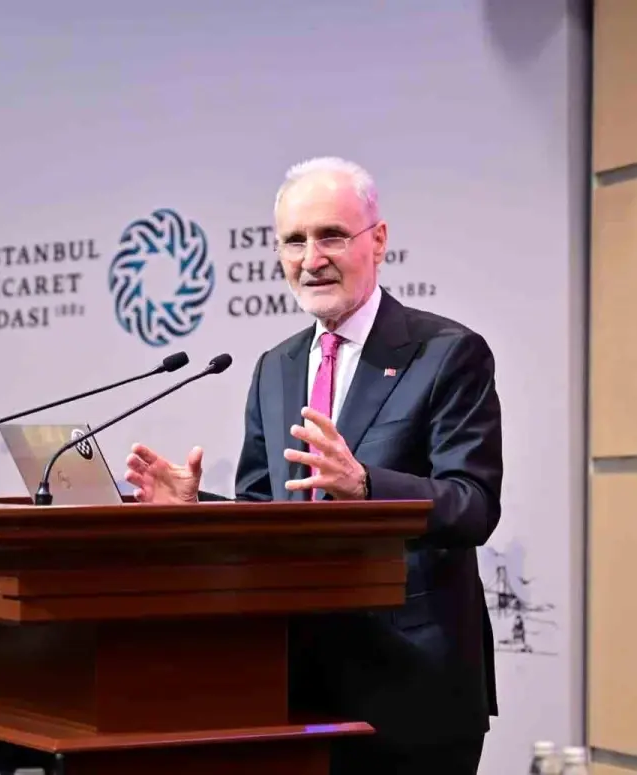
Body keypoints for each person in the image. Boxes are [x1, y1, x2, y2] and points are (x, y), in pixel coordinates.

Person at [124, 156, 502, 774]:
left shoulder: (447, 353)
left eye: (331, 236)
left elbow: (474, 506)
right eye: (294, 241)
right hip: (294, 683)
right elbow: (265, 518)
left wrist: (366, 485)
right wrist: (196, 510)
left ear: (378, 240)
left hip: (413, 691)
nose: (311, 258)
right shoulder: (275, 367)